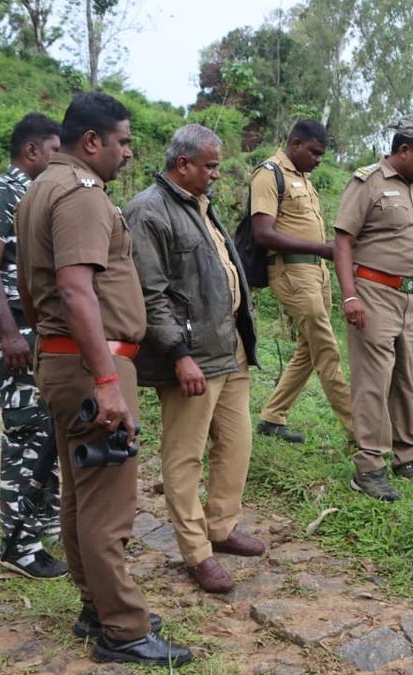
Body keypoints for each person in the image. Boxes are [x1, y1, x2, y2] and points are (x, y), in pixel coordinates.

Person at [16, 92, 190, 667]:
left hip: (65, 360)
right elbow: (74, 289)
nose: (127, 153)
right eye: (122, 141)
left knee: (81, 492)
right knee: (109, 505)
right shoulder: (82, 195)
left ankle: (97, 607)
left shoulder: (40, 187)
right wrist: (107, 378)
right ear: (92, 141)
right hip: (94, 366)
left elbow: (31, 290)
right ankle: (122, 629)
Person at [126, 124, 263, 595]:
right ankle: (196, 552)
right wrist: (179, 356)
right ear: (182, 164)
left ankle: (221, 527)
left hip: (230, 349)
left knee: (237, 443)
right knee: (184, 456)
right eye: (210, 166)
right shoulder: (148, 211)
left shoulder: (199, 205)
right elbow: (151, 294)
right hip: (192, 356)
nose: (217, 175)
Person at [333, 113, 413, 502]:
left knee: (404, 379)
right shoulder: (367, 182)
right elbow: (343, 241)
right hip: (374, 294)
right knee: (373, 382)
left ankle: (408, 457)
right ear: (403, 150)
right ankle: (369, 466)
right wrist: (350, 295)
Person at [0, 112, 66, 580]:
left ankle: (42, 521)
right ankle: (17, 545)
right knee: (25, 435)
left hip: (39, 334)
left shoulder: (37, 196)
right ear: (32, 151)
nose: (58, 158)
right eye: (53, 150)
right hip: (14, 335)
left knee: (48, 429)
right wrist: (9, 335)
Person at [253, 120, 354, 445]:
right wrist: (322, 248)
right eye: (314, 152)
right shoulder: (270, 174)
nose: (318, 160)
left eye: (322, 154)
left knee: (309, 350)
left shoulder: (304, 179)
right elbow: (263, 234)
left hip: (316, 273)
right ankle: (361, 432)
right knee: (326, 348)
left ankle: (272, 416)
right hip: (291, 273)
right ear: (295, 144)